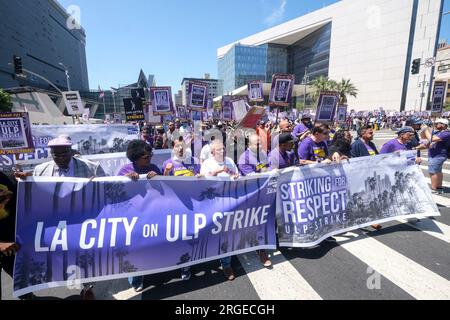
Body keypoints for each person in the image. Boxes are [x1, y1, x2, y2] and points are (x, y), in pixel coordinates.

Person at [14, 136, 106, 300]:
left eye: (65, 154)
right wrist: (25, 181)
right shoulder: (41, 170)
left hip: (82, 221)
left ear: (71, 151)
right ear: (51, 153)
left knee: (85, 255)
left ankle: (88, 287)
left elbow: (105, 191)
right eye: (57, 155)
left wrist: (97, 185)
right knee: (58, 256)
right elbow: (36, 194)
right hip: (55, 223)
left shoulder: (92, 168)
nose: (61, 158)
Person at [118, 140, 162, 292]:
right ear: (135, 158)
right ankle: (136, 278)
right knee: (135, 248)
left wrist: (158, 177)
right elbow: (116, 191)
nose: (149, 158)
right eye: (145, 157)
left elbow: (166, 190)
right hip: (132, 216)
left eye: (150, 155)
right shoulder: (125, 170)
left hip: (152, 214)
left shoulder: (154, 168)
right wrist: (126, 180)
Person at [163, 139, 201, 280]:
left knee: (190, 235)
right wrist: (166, 173)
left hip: (193, 205)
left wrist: (200, 177)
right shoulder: (168, 163)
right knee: (178, 236)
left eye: (182, 146)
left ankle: (186, 266)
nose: (180, 149)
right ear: (173, 148)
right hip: (176, 206)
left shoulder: (194, 161)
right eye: (177, 146)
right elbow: (163, 186)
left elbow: (201, 179)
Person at [200, 140, 239, 281]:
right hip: (213, 204)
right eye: (219, 150)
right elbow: (203, 183)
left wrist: (235, 176)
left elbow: (236, 175)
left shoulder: (229, 161)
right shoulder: (207, 164)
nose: (222, 151)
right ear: (212, 153)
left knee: (226, 234)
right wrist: (216, 172)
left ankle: (226, 264)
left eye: (223, 149)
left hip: (229, 201)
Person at [237, 134, 272, 267]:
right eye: (256, 144)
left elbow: (267, 167)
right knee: (256, 222)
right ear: (249, 145)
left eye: (260, 143)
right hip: (251, 195)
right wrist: (268, 173)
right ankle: (261, 250)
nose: (260, 145)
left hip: (265, 192)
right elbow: (252, 177)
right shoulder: (243, 158)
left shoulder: (263, 153)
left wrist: (270, 171)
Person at [350, 126, 382, 231]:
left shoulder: (371, 144)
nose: (373, 134)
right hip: (361, 177)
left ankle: (368, 218)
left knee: (371, 197)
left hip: (371, 175)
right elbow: (353, 161)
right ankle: (366, 219)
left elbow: (377, 156)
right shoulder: (356, 145)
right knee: (363, 198)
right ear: (362, 134)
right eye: (370, 133)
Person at [423, 118, 450, 194]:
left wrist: (425, 129)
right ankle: (439, 186)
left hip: (438, 155)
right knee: (438, 171)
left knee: (433, 172)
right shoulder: (439, 132)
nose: (436, 125)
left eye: (438, 123)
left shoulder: (446, 133)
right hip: (436, 154)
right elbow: (426, 137)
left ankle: (434, 188)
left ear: (444, 125)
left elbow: (433, 139)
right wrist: (426, 129)